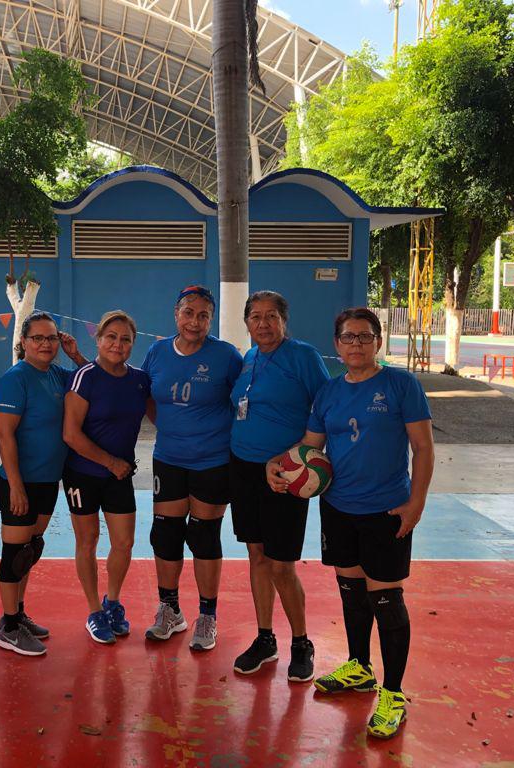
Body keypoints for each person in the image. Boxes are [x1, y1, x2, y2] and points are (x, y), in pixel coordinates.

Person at [293, 307, 433, 739]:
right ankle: (359, 666)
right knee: (352, 592)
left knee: (386, 600)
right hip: (338, 507)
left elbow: (423, 448)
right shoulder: (329, 393)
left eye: (364, 336)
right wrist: (282, 468)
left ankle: (393, 693)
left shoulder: (401, 385)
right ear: (337, 344)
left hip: (386, 510)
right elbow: (311, 447)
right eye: (348, 337)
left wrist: (416, 503)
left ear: (378, 341)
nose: (356, 343)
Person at [228, 290, 330, 683]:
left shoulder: (303, 357)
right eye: (256, 316)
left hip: (285, 475)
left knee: (281, 565)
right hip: (244, 469)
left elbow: (324, 411)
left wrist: (293, 460)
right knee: (256, 556)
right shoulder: (249, 358)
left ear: (284, 321)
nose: (264, 323)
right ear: (247, 323)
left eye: (272, 316)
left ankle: (301, 644)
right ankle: (265, 638)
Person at [140, 285, 242, 651]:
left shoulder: (226, 356)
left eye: (203, 315)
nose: (194, 321)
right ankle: (170, 610)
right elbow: (149, 397)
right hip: (169, 458)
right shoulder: (157, 352)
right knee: (165, 535)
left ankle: (207, 615)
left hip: (213, 460)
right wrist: (172, 428)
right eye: (188, 313)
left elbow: (243, 402)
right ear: (176, 314)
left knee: (203, 536)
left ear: (211, 320)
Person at [0, 312, 86, 656]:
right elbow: (4, 434)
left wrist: (76, 355)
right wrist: (16, 486)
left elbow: (96, 381)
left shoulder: (59, 375)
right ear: (24, 342)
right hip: (20, 483)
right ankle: (9, 627)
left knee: (30, 550)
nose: (45, 344)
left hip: (49, 480)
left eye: (51, 338)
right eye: (38, 338)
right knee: (14, 554)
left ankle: (16, 614)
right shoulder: (16, 379)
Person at [62, 310, 151, 644]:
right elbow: (71, 434)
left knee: (124, 543)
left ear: (133, 344)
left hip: (119, 475)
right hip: (83, 474)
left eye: (125, 339)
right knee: (87, 542)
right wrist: (111, 463)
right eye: (111, 337)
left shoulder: (140, 380)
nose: (118, 344)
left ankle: (112, 602)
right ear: (98, 339)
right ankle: (94, 611)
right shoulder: (83, 376)